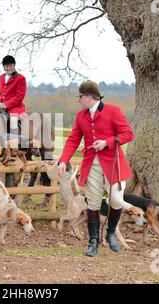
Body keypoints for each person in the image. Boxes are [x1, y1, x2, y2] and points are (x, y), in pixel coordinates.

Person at [56, 81, 134, 257]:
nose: (79, 101)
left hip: (113, 163)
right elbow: (73, 140)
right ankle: (93, 241)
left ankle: (111, 231)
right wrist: (63, 160)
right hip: (91, 164)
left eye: (80, 97)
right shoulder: (81, 115)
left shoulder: (113, 111)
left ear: (89, 98)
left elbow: (128, 134)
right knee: (92, 202)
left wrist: (107, 142)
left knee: (116, 200)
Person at [0, 55, 27, 137]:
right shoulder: (1, 78)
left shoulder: (20, 78)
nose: (9, 68)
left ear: (14, 65)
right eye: (6, 66)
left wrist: (6, 105)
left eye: (11, 66)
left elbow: (19, 97)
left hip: (15, 107)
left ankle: (15, 141)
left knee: (13, 120)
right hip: (0, 106)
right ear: (4, 67)